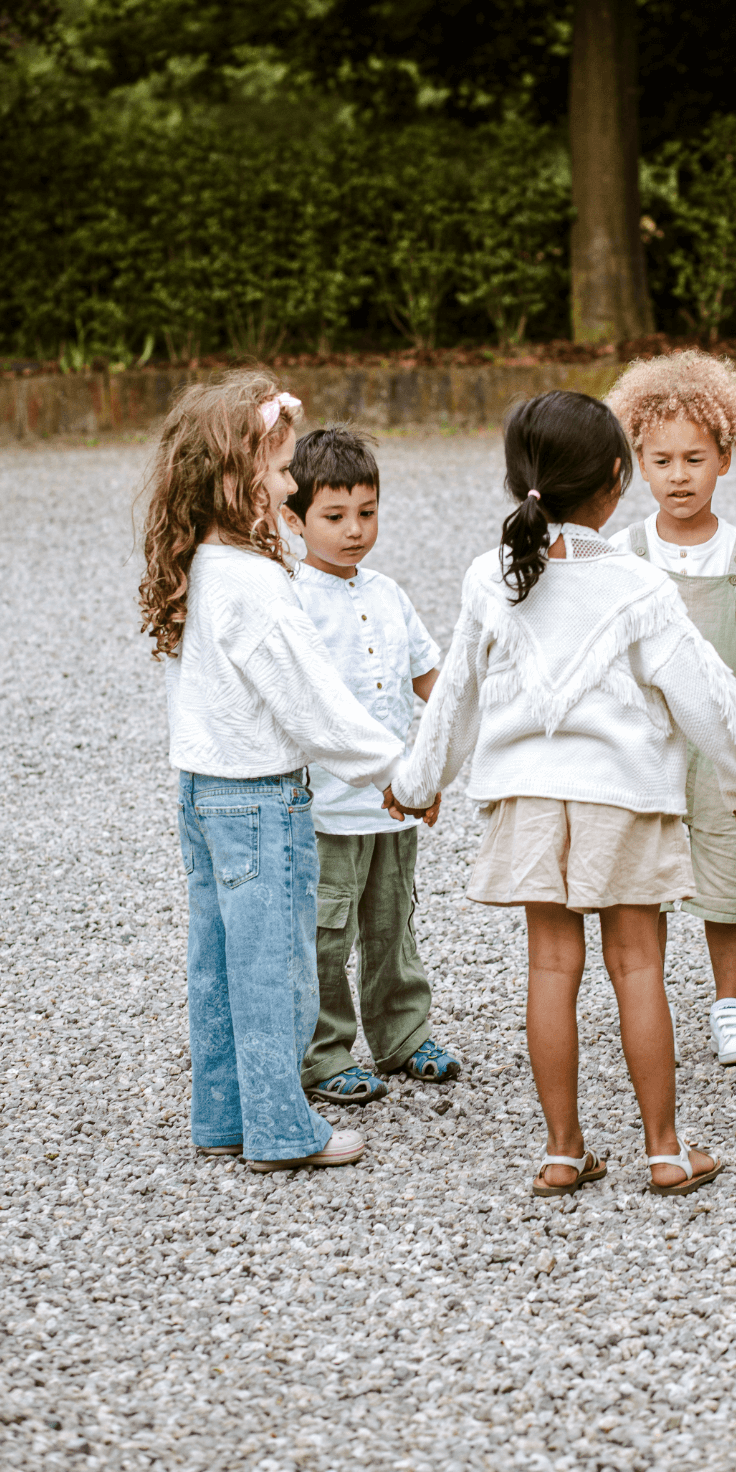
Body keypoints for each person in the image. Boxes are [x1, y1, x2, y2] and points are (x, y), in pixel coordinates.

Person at [387, 390, 736, 1196]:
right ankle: (665, 1151)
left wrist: (417, 783)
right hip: (623, 800)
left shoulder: (490, 580)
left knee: (550, 967)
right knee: (638, 968)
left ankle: (563, 1152)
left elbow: (454, 695)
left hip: (528, 799)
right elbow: (706, 699)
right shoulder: (638, 586)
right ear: (618, 481)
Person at [139, 370, 411, 1172]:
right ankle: (283, 1130)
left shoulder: (199, 564)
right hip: (259, 799)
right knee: (277, 973)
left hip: (200, 792)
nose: (292, 486)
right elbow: (314, 706)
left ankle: (224, 1114)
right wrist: (397, 771)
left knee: (218, 966)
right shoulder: (257, 582)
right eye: (283, 470)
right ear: (236, 477)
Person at [605, 351, 736, 1068]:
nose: (679, 475)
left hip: (722, 752)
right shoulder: (620, 553)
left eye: (695, 458)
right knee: (648, 873)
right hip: (644, 750)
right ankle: (649, 1002)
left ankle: (730, 1003)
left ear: (726, 457)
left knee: (727, 874)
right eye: (660, 460)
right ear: (638, 461)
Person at [282, 424, 461, 1108]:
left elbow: (431, 678)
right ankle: (324, 1053)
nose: (354, 530)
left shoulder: (388, 593)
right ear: (293, 519)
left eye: (367, 512)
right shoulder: (292, 602)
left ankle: (403, 1034)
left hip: (396, 804)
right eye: (333, 517)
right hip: (326, 805)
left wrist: (444, 752)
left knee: (393, 924)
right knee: (327, 936)